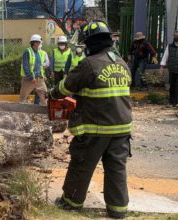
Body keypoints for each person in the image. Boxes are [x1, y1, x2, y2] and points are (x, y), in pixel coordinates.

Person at [50, 20, 132, 219]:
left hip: (96, 128)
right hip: (122, 128)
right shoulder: (121, 64)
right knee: (116, 168)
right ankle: (117, 209)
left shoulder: (89, 64)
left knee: (82, 164)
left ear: (90, 43)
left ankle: (71, 202)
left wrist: (52, 93)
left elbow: (65, 87)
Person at [19, 34, 47, 106]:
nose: (40, 44)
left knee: (44, 95)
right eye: (39, 42)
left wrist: (42, 76)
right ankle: (20, 113)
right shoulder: (27, 51)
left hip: (39, 78)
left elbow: (39, 66)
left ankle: (46, 110)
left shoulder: (38, 52)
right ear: (34, 43)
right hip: (29, 79)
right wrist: (32, 77)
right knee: (23, 98)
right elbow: (26, 66)